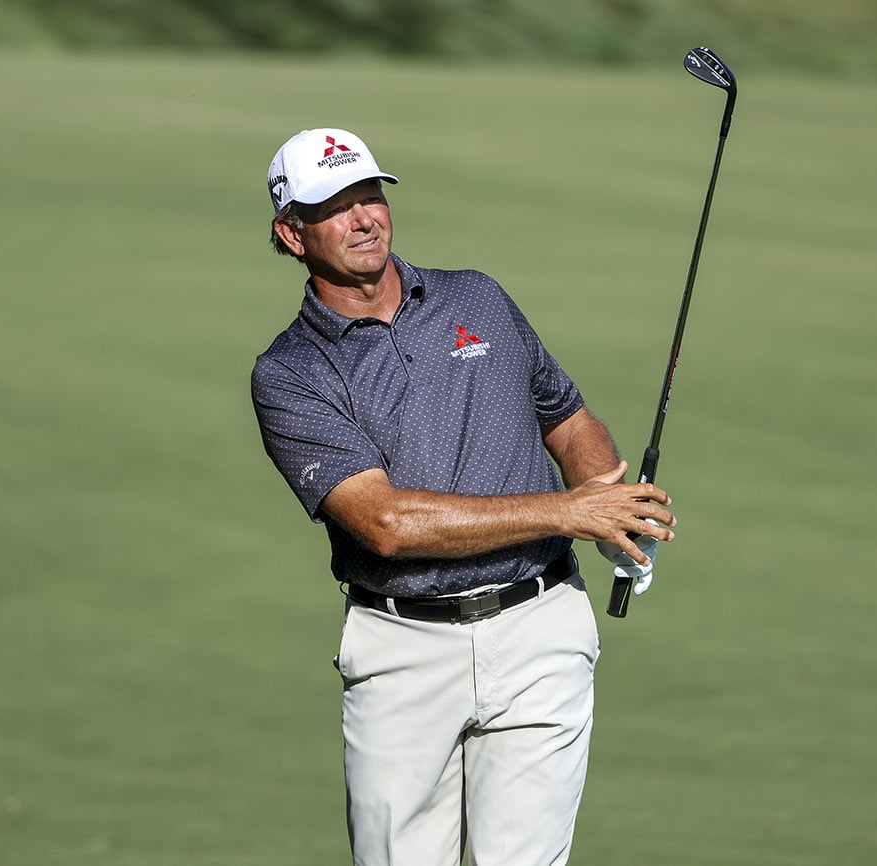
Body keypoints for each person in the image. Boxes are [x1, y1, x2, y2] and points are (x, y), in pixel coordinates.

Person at [250, 127, 676, 866]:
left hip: (540, 630)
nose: (363, 218)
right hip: (401, 649)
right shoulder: (289, 373)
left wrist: (610, 507)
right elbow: (383, 523)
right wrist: (568, 513)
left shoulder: (475, 295)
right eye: (334, 206)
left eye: (369, 195)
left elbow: (568, 419)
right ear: (291, 234)